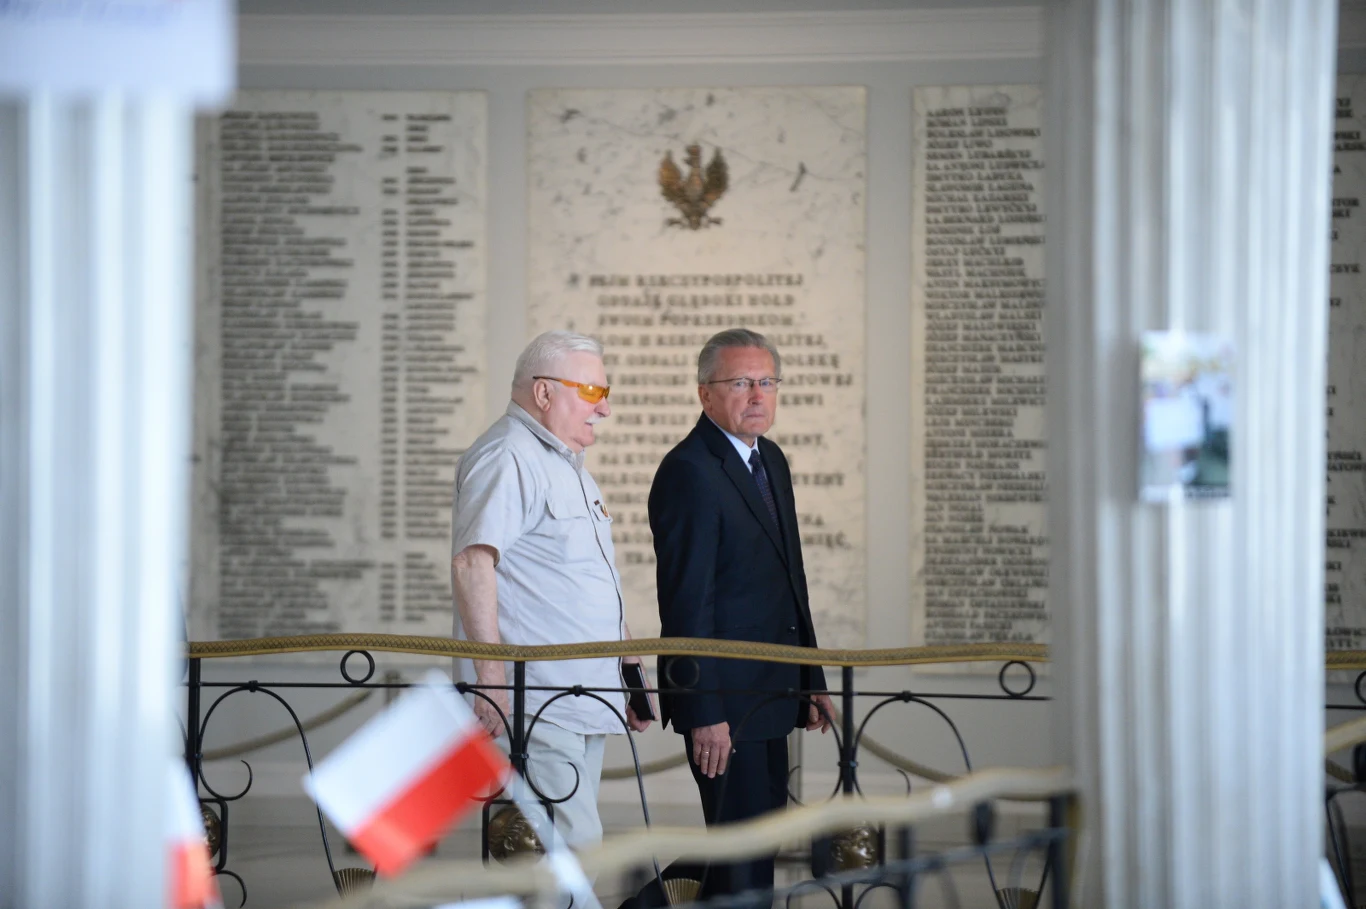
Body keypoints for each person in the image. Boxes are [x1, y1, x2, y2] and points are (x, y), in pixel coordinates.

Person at [649, 328, 833, 903]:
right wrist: (703, 710)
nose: (757, 395)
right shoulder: (690, 470)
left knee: (753, 847)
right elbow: (686, 601)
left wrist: (811, 678)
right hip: (725, 704)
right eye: (740, 383)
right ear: (705, 394)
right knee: (741, 854)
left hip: (772, 691)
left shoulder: (769, 459)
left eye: (766, 382)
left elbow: (790, 581)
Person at [450, 330, 652, 849]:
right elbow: (474, 562)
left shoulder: (568, 467)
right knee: (569, 845)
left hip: (581, 691)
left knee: (557, 847)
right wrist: (491, 682)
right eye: (592, 393)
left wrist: (626, 671)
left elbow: (590, 579)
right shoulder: (506, 455)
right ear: (544, 393)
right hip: (535, 695)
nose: (604, 409)